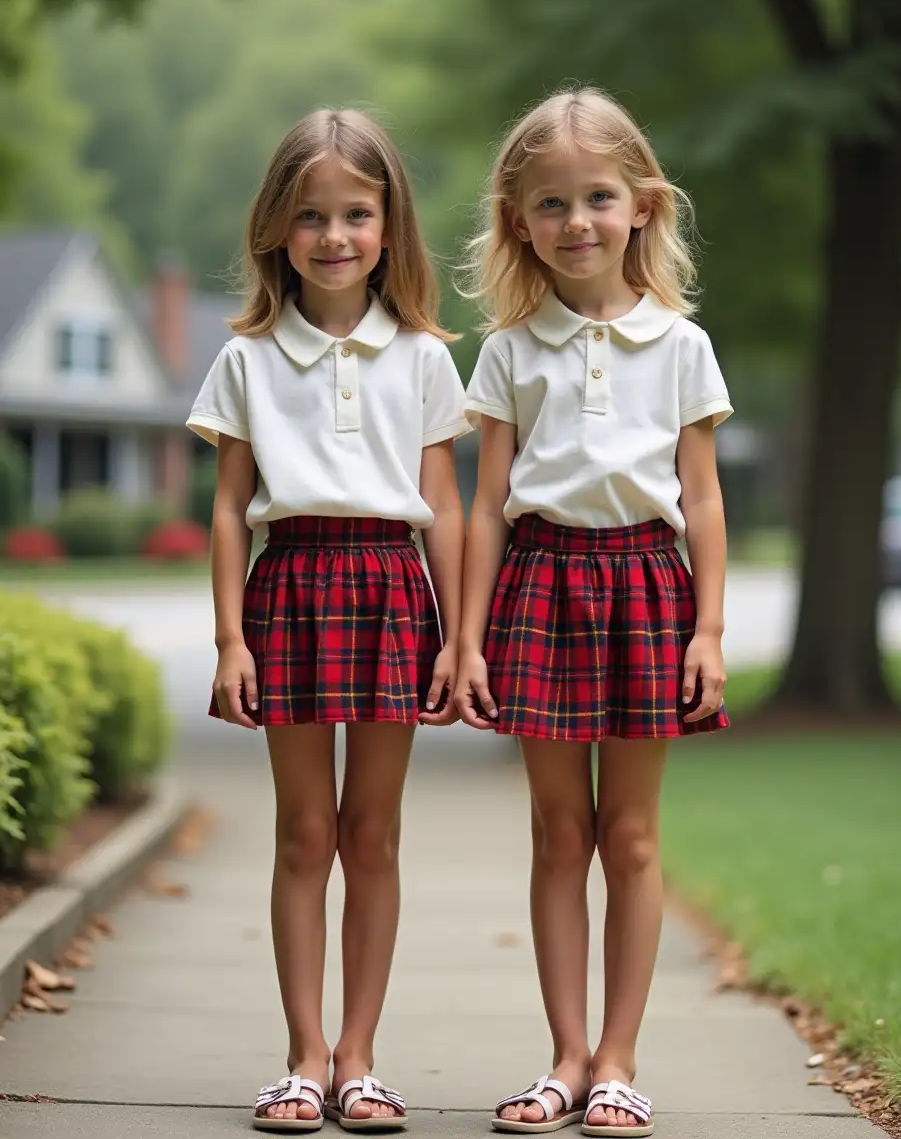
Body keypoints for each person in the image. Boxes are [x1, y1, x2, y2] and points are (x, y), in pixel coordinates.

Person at [455, 88, 732, 1137]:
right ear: (517, 220)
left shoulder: (680, 344)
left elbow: (701, 497)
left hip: (645, 590)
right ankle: (565, 1054)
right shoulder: (509, 349)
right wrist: (468, 635)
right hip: (539, 584)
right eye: (550, 203)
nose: (576, 221)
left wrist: (706, 628)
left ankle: (620, 1057)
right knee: (556, 829)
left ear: (642, 206)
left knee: (629, 831)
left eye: (597, 197)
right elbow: (485, 502)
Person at [187, 109, 469, 1133]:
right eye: (312, 215)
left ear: (390, 228)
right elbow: (226, 508)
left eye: (357, 212)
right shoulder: (248, 358)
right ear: (275, 228)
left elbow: (445, 505)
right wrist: (229, 638)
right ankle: (302, 1055)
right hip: (291, 587)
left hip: (394, 589)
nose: (336, 235)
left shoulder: (429, 358)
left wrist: (455, 635)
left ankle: (360, 1057)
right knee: (305, 831)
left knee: (374, 832)